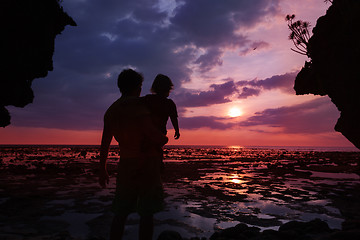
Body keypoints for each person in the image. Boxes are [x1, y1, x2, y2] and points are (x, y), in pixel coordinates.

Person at [99, 69, 168, 240]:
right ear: (137, 87)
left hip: (126, 164)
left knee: (121, 211)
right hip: (146, 164)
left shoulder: (111, 110)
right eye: (140, 86)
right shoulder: (137, 106)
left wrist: (102, 168)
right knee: (147, 212)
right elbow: (151, 133)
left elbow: (105, 142)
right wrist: (164, 139)